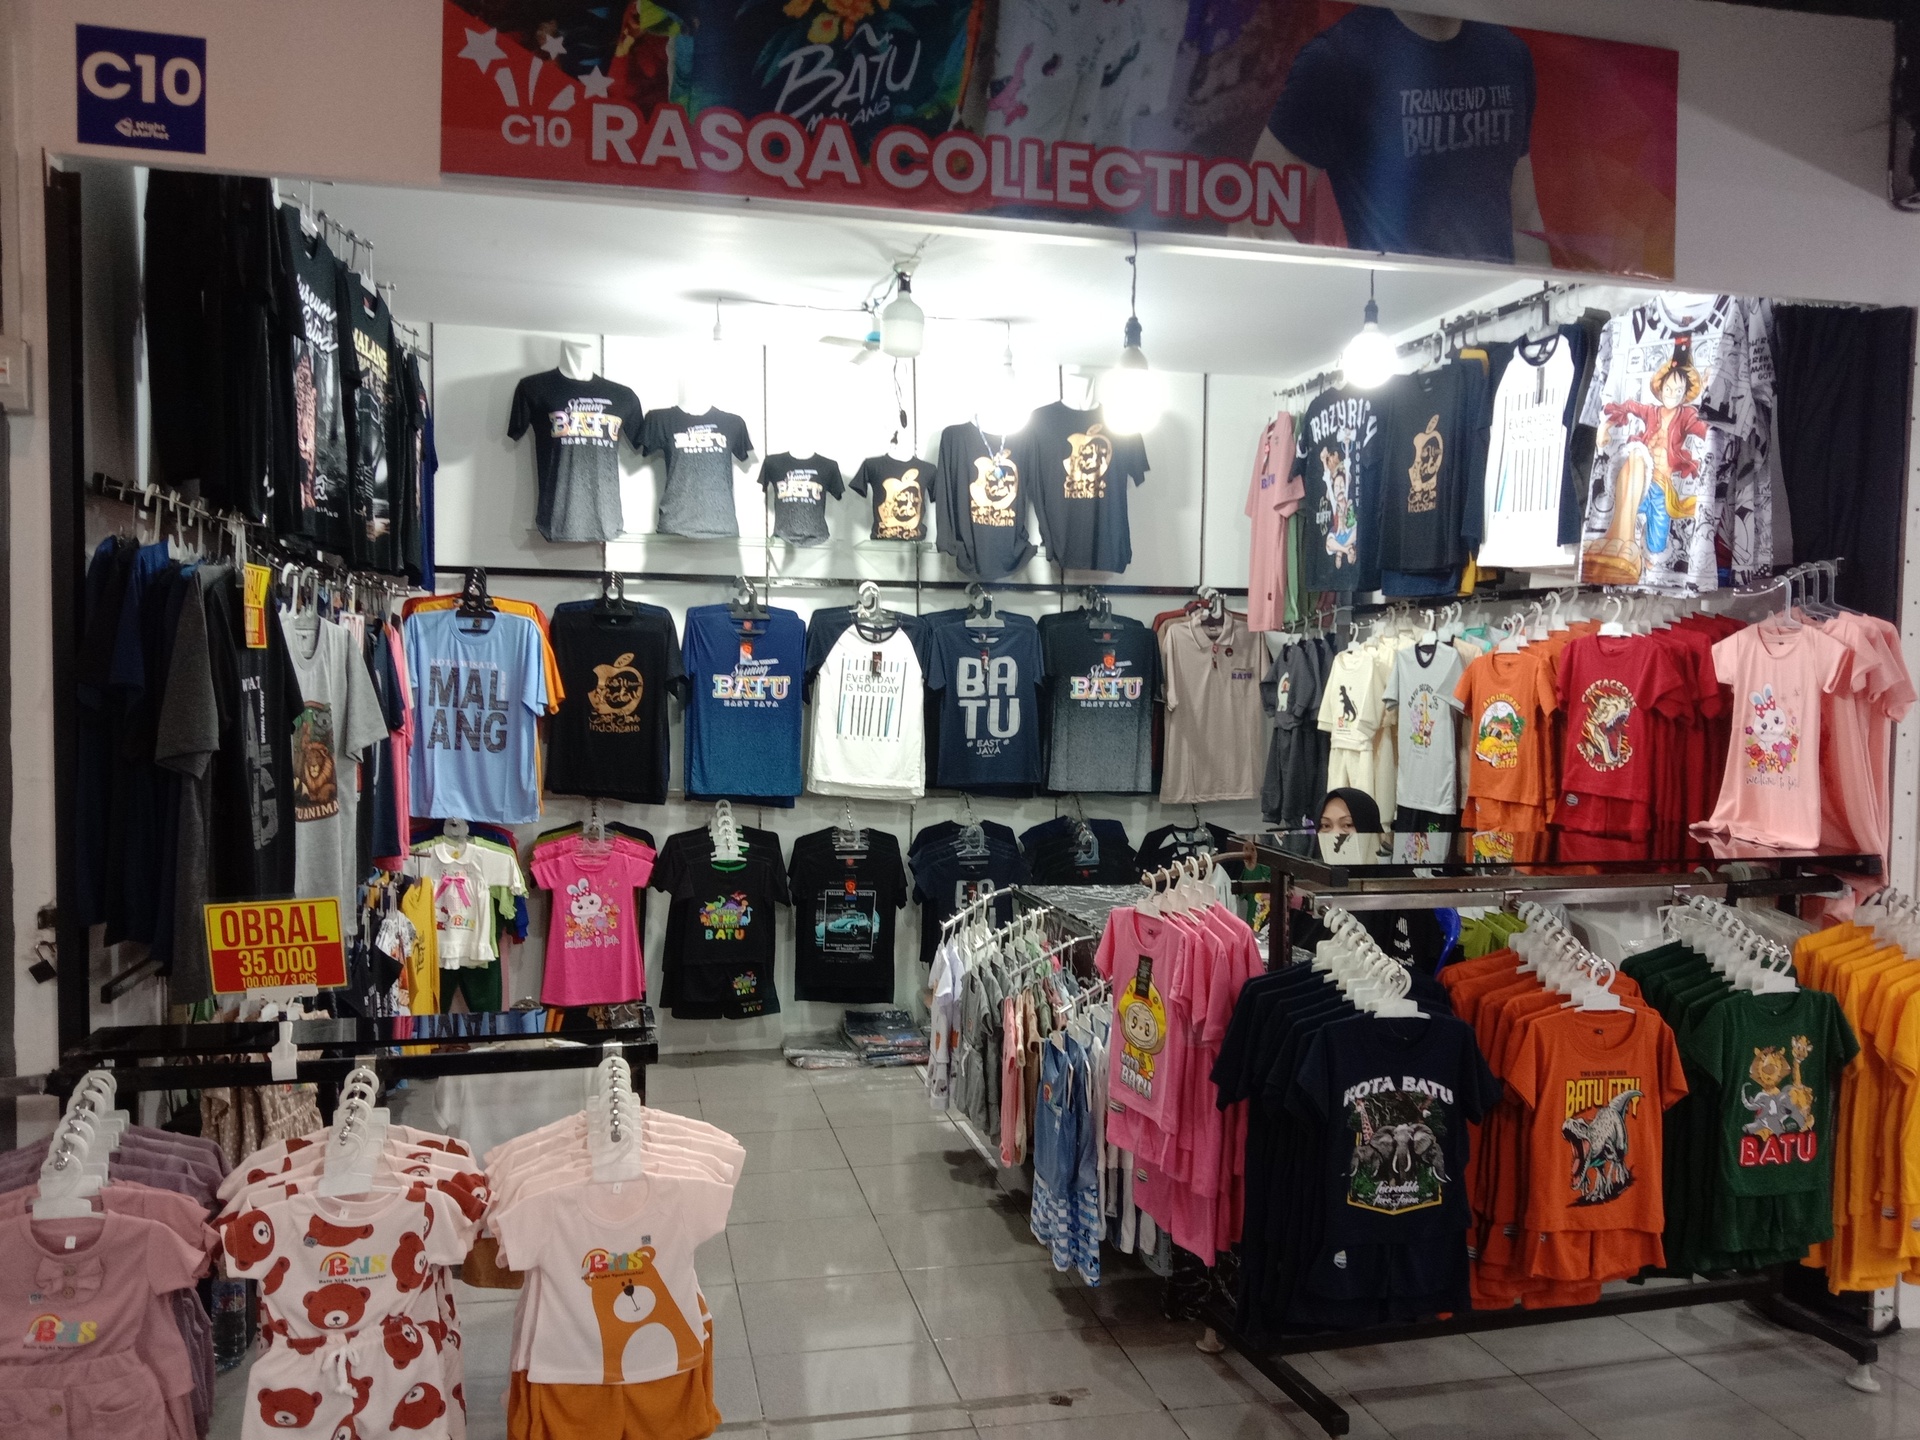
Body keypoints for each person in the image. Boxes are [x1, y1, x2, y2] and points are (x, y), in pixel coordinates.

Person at [1244, 8, 1547, 265]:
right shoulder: (1339, 59)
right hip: (1399, 310)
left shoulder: (1508, 53)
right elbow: (1258, 220)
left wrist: (1545, 298)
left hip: (1497, 307)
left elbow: (1524, 215)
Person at [1581, 340, 1709, 586]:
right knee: (1636, 458)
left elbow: (1706, 429)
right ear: (1660, 388)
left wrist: (1708, 394)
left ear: (1685, 393)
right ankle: (1619, 546)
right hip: (1638, 477)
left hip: (1663, 487)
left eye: (1678, 391)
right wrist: (1605, 427)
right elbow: (1627, 407)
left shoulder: (1687, 416)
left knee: (1656, 545)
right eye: (1668, 389)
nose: (1671, 394)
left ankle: (1644, 562)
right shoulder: (1651, 411)